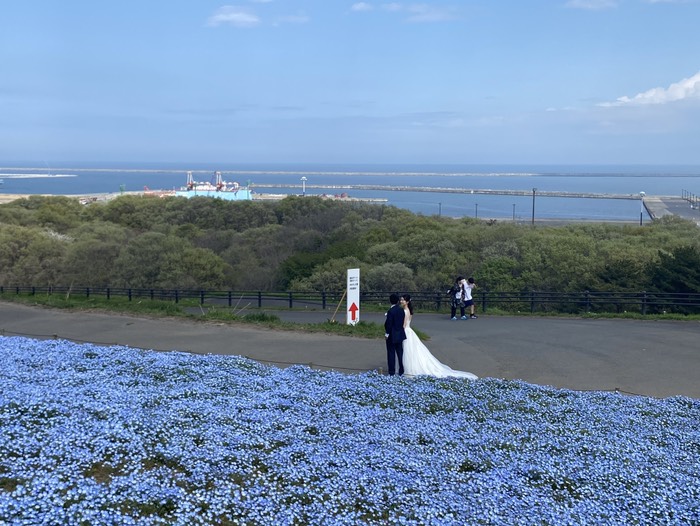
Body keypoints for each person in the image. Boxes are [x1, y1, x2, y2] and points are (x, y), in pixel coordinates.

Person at [400, 294, 478, 379]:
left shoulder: (404, 311)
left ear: (407, 302)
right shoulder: (409, 310)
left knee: (408, 351)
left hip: (406, 331)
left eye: (403, 300)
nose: (401, 301)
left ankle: (409, 369)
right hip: (410, 331)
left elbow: (403, 325)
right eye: (401, 300)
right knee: (412, 351)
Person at [384, 293, 406, 376]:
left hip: (392, 335)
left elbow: (389, 324)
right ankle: (401, 370)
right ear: (397, 301)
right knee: (400, 353)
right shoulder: (401, 310)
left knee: (391, 353)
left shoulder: (391, 311)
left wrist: (387, 334)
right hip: (400, 333)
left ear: (390, 301)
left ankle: (392, 371)